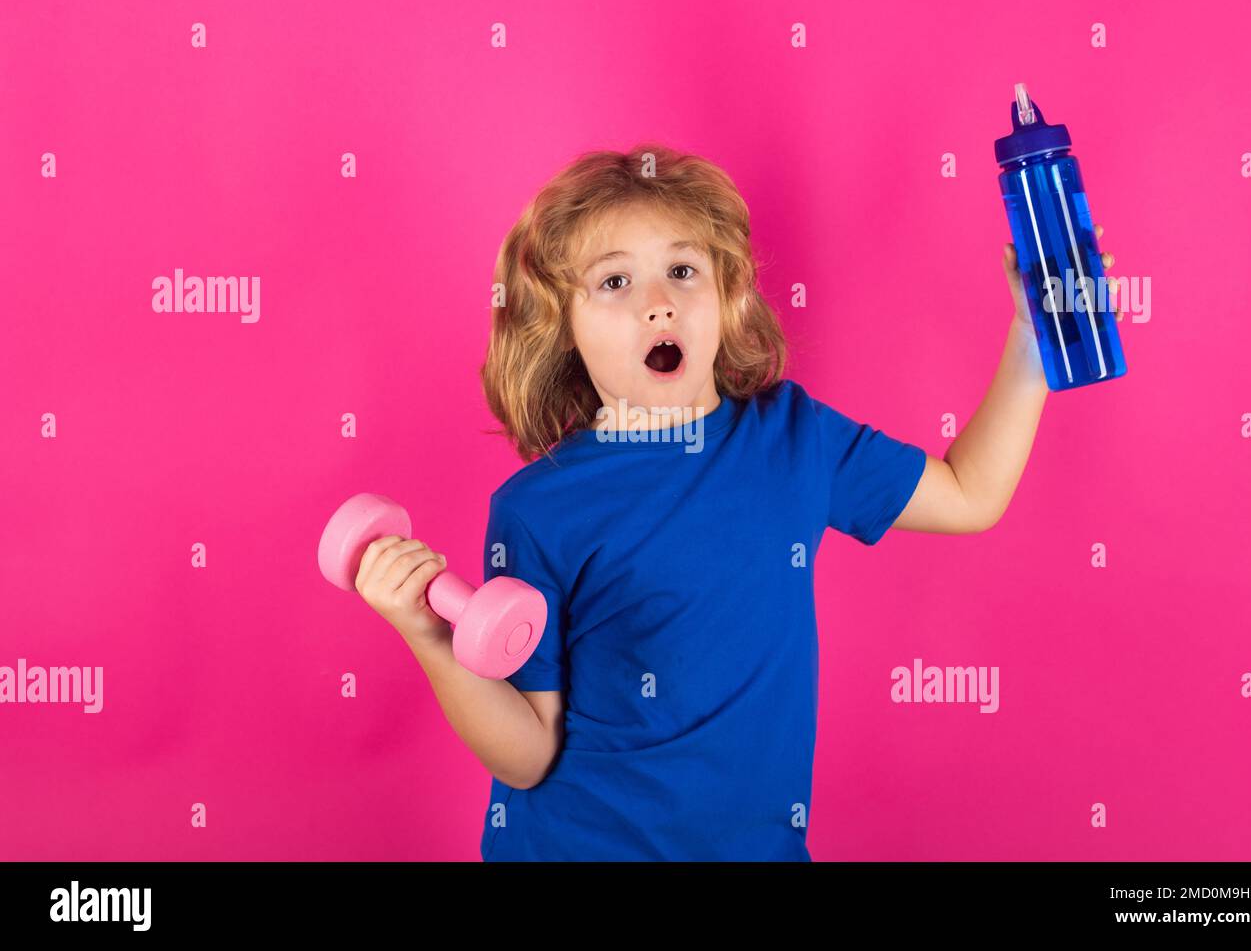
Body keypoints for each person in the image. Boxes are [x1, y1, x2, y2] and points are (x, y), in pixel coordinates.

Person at [354, 144, 1117, 861]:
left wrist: (1031, 341)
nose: (658, 303)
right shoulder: (538, 508)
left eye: (683, 271)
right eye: (615, 283)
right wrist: (429, 634)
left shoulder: (791, 437)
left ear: (726, 296)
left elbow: (969, 494)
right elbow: (527, 755)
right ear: (563, 330)